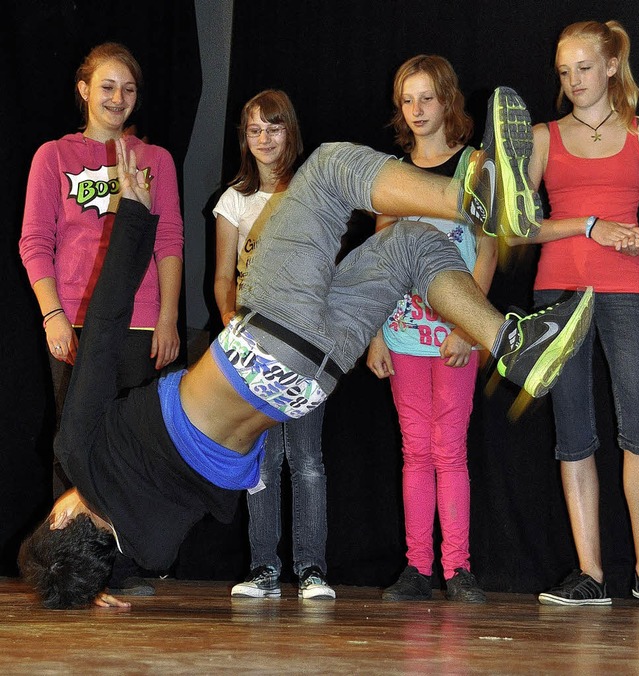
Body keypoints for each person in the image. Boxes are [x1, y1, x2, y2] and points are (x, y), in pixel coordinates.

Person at [19, 88, 593, 610]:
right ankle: (477, 198)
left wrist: (88, 587)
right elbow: (102, 330)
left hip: (309, 382)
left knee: (411, 244)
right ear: (61, 513)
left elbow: (116, 543)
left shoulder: (152, 545)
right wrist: (135, 216)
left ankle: (512, 344)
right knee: (327, 169)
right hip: (265, 338)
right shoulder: (82, 455)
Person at [18, 42, 183, 595]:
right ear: (84, 90)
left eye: (129, 89)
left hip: (138, 324)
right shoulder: (54, 156)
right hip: (73, 321)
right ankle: (73, 567)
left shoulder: (154, 159)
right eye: (108, 86)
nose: (118, 98)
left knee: (133, 448)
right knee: (74, 446)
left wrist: (167, 317)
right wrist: (52, 314)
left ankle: (126, 565)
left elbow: (170, 242)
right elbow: (34, 242)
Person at [507, 21, 639, 607]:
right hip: (558, 294)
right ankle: (591, 576)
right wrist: (587, 225)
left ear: (611, 66)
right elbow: (516, 226)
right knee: (574, 435)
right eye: (564, 71)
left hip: (627, 291)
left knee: (638, 431)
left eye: (584, 68)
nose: (573, 80)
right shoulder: (542, 136)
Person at [367, 55, 495, 603]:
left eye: (426, 98)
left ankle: (458, 567)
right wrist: (374, 332)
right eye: (407, 100)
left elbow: (489, 250)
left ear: (447, 100)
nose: (417, 110)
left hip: (455, 335)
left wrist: (470, 324)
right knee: (415, 450)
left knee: (451, 450)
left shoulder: (475, 167)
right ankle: (418, 568)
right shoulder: (394, 174)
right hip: (402, 333)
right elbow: (376, 260)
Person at [213, 90, 333, 599]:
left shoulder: (311, 192)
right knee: (260, 460)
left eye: (274, 128)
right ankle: (264, 567)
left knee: (306, 460)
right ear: (245, 137)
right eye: (254, 130)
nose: (264, 139)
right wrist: (230, 327)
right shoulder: (234, 200)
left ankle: (311, 570)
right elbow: (222, 278)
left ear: (291, 132)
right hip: (251, 348)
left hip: (303, 344)